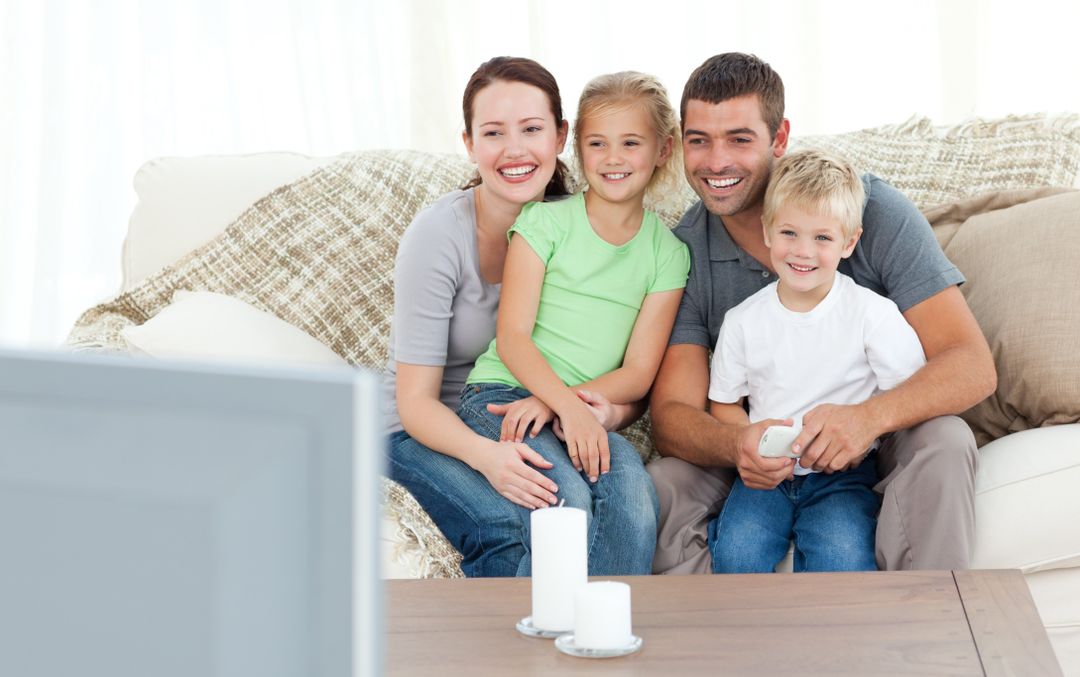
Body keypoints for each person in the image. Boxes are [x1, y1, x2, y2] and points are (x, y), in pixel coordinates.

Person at [648, 52, 997, 574]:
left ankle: (932, 625)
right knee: (665, 482)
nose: (716, 162)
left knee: (946, 439)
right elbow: (673, 416)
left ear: (779, 137)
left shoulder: (868, 211)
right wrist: (740, 442)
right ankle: (712, 637)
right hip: (762, 450)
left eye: (740, 139)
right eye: (699, 140)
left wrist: (866, 420)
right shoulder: (686, 250)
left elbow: (971, 364)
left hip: (875, 438)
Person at [458, 71, 690, 575]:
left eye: (631, 143)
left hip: (573, 409)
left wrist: (562, 404)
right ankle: (542, 641)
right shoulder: (544, 223)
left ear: (662, 149)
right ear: (577, 147)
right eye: (597, 143)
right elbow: (512, 338)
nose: (612, 157)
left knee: (633, 501)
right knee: (565, 505)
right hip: (503, 398)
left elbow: (637, 374)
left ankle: (605, 639)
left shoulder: (668, 254)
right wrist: (557, 403)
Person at [385, 56, 576, 577]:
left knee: (569, 517)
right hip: (415, 429)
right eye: (493, 133)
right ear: (470, 144)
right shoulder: (438, 236)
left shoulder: (578, 229)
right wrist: (486, 458)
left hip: (515, 418)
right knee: (508, 530)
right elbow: (415, 401)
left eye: (532, 129)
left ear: (560, 136)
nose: (514, 150)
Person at [708, 148, 926, 573]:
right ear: (767, 231)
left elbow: (909, 389)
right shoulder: (743, 321)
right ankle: (744, 638)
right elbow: (724, 404)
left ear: (849, 242)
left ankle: (832, 639)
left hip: (843, 476)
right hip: (764, 476)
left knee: (843, 557)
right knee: (736, 553)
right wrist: (749, 446)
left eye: (822, 238)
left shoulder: (871, 314)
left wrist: (863, 426)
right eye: (789, 233)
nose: (803, 252)